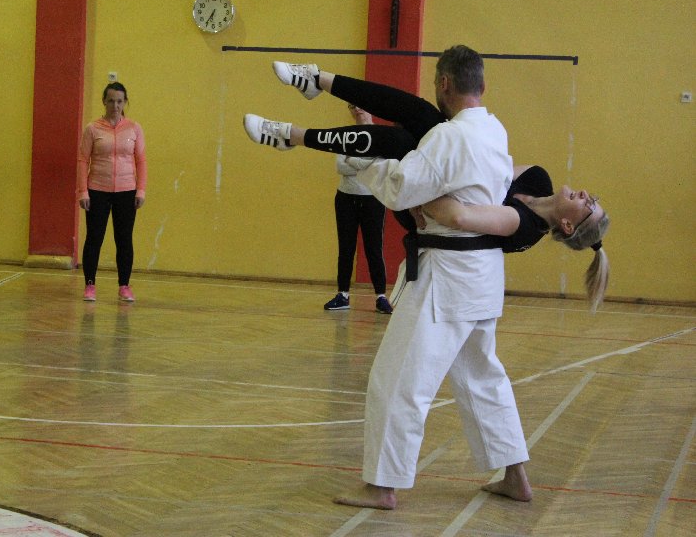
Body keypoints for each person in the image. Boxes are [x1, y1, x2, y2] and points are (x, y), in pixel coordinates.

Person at [254, 45, 531, 510]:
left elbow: (401, 188)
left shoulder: (447, 137)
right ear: (482, 85)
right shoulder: (494, 130)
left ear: (444, 83)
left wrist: (365, 163)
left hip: (447, 276)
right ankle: (515, 475)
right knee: (482, 376)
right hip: (483, 275)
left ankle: (382, 485)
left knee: (397, 379)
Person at [244, 62, 610, 311]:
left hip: (426, 215)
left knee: (401, 142)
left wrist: (421, 195)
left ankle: (292, 135)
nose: (586, 196)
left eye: (588, 206)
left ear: (567, 226)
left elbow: (459, 216)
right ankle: (317, 80)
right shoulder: (539, 178)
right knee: (419, 113)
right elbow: (484, 167)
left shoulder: (524, 227)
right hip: (442, 188)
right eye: (593, 198)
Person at [77, 82, 147, 303]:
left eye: (119, 101)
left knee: (124, 239)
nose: (115, 106)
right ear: (104, 102)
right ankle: (90, 284)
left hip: (127, 191)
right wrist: (83, 191)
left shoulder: (134, 128)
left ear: (125, 102)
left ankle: (124, 285)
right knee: (94, 238)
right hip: (97, 190)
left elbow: (141, 160)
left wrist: (141, 190)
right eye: (111, 101)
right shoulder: (93, 129)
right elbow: (83, 160)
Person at [323, 103, 392, 314]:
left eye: (361, 105)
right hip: (345, 198)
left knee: (374, 248)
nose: (358, 109)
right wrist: (366, 164)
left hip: (373, 199)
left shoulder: (381, 135)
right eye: (352, 106)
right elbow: (340, 166)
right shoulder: (346, 135)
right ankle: (342, 294)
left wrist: (352, 160)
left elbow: (381, 166)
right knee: (346, 247)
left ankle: (381, 296)